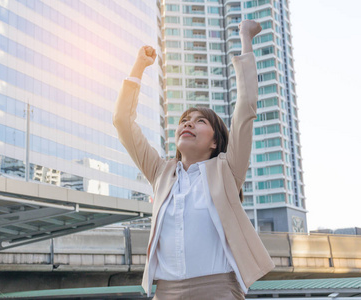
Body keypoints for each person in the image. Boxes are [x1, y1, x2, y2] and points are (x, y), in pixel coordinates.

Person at [113, 20, 275, 300]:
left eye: (200, 122)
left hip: (219, 290)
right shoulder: (161, 173)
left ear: (215, 141)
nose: (188, 124)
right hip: (165, 292)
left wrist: (245, 38)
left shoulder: (227, 170)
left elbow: (246, 107)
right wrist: (138, 67)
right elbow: (122, 123)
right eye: (184, 121)